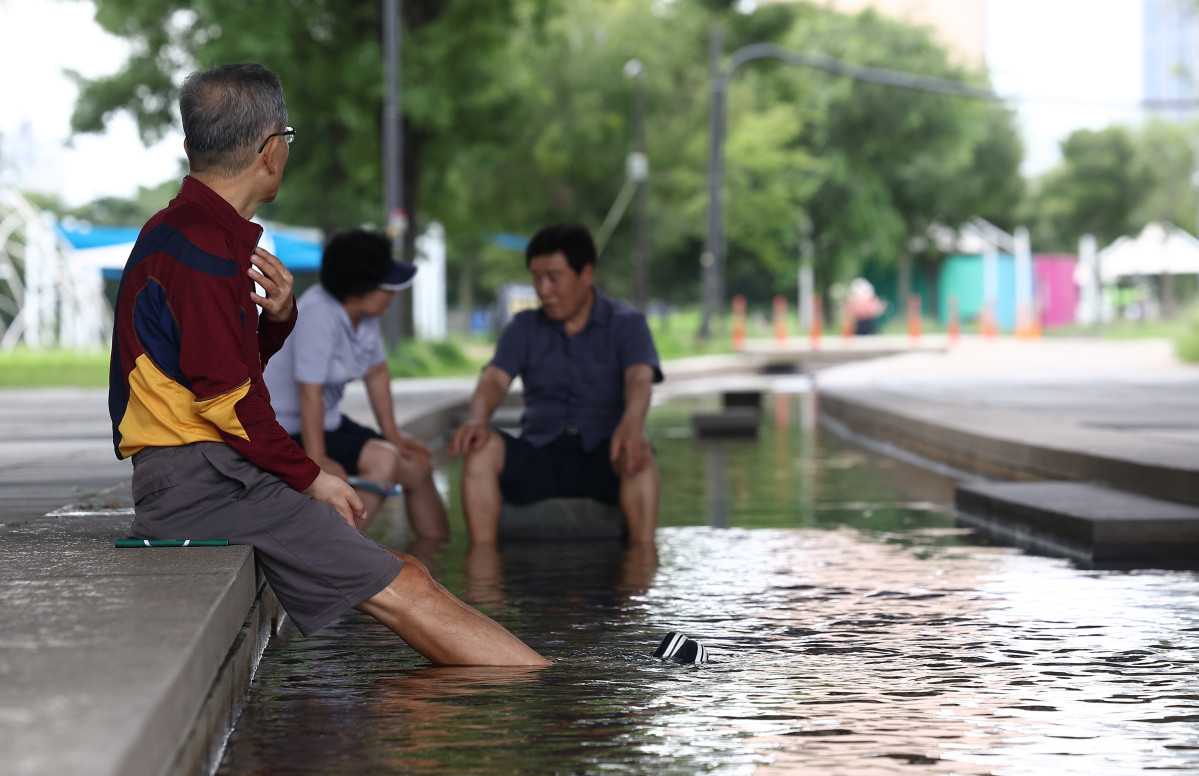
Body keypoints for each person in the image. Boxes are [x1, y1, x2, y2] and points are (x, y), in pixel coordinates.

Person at [108, 62, 546, 666]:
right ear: (271, 151)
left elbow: (214, 375)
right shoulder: (202, 251)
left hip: (205, 467)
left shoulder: (193, 236)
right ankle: (542, 686)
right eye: (286, 139)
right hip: (199, 479)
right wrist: (313, 476)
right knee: (407, 585)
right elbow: (229, 400)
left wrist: (278, 319)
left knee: (407, 573)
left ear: (191, 146)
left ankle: (512, 681)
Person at [447, 222, 662, 545]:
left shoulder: (627, 324)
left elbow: (640, 377)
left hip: (604, 454)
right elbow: (494, 378)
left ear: (586, 274)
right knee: (480, 450)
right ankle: (482, 572)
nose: (543, 289)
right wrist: (478, 419)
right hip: (541, 455)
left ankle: (642, 567)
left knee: (639, 453)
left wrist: (632, 425)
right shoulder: (523, 327)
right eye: (536, 278)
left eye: (553, 277)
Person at [263, 228, 449, 541]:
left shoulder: (367, 315)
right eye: (385, 286)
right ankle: (337, 562)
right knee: (383, 460)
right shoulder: (317, 312)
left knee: (415, 465)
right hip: (287, 428)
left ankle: (439, 565)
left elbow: (376, 372)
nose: (393, 294)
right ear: (357, 288)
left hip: (328, 423)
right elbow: (311, 392)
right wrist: (318, 458)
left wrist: (393, 434)